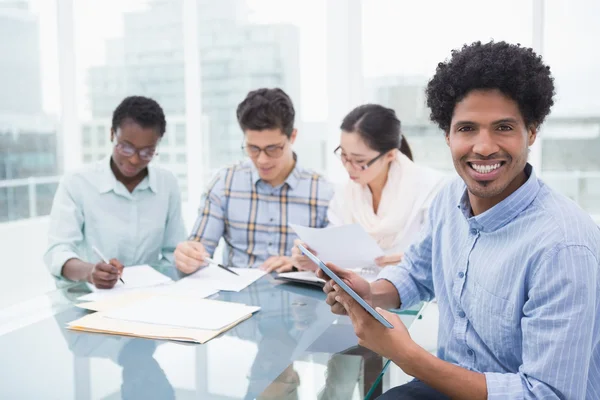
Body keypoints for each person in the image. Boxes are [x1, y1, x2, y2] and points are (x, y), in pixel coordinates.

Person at [319, 41, 600, 399]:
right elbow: (417, 273)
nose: (483, 147)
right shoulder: (449, 198)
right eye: (467, 128)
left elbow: (547, 394)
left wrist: (406, 355)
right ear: (448, 134)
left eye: (503, 128)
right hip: (449, 385)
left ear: (531, 131)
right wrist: (370, 292)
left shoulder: (564, 246)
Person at [174, 88, 333, 274]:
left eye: (273, 149)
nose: (262, 160)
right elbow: (199, 249)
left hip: (301, 300)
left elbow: (336, 264)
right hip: (237, 297)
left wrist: (300, 264)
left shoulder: (322, 192)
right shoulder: (225, 182)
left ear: (293, 137)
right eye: (253, 148)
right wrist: (188, 257)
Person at [44, 96, 186, 288]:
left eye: (147, 152)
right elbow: (58, 252)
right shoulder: (77, 183)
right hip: (92, 298)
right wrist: (90, 272)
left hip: (151, 296)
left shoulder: (167, 184)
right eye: (126, 147)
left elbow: (173, 252)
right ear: (112, 134)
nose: (134, 160)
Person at [292, 104, 446, 270]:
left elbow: (442, 257)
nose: (349, 168)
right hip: (355, 291)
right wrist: (314, 259)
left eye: (359, 161)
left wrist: (415, 262)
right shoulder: (345, 194)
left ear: (390, 155)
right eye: (343, 155)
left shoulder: (431, 190)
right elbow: (335, 252)